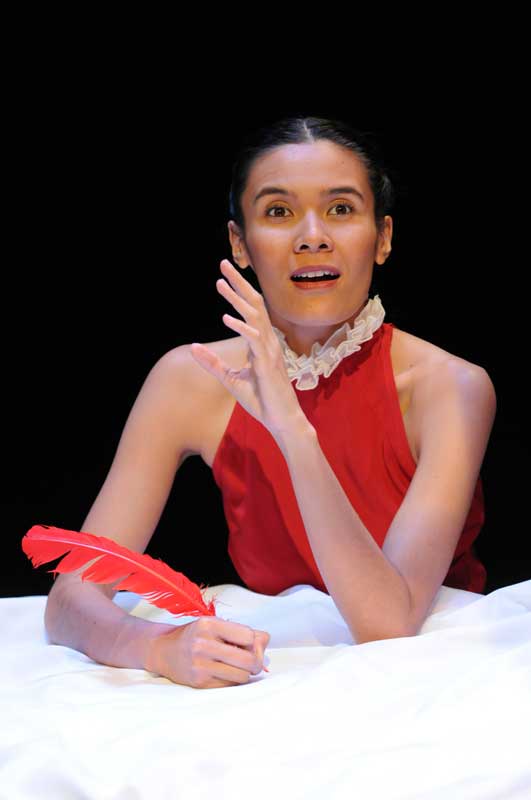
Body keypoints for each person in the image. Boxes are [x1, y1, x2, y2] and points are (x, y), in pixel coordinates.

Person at [45, 115, 497, 689]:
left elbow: (387, 623)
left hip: (423, 677)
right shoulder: (191, 378)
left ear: (382, 237)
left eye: (341, 209)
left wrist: (291, 426)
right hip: (269, 674)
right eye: (279, 212)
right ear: (240, 243)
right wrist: (157, 646)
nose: (312, 237)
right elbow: (70, 599)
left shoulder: (451, 387)